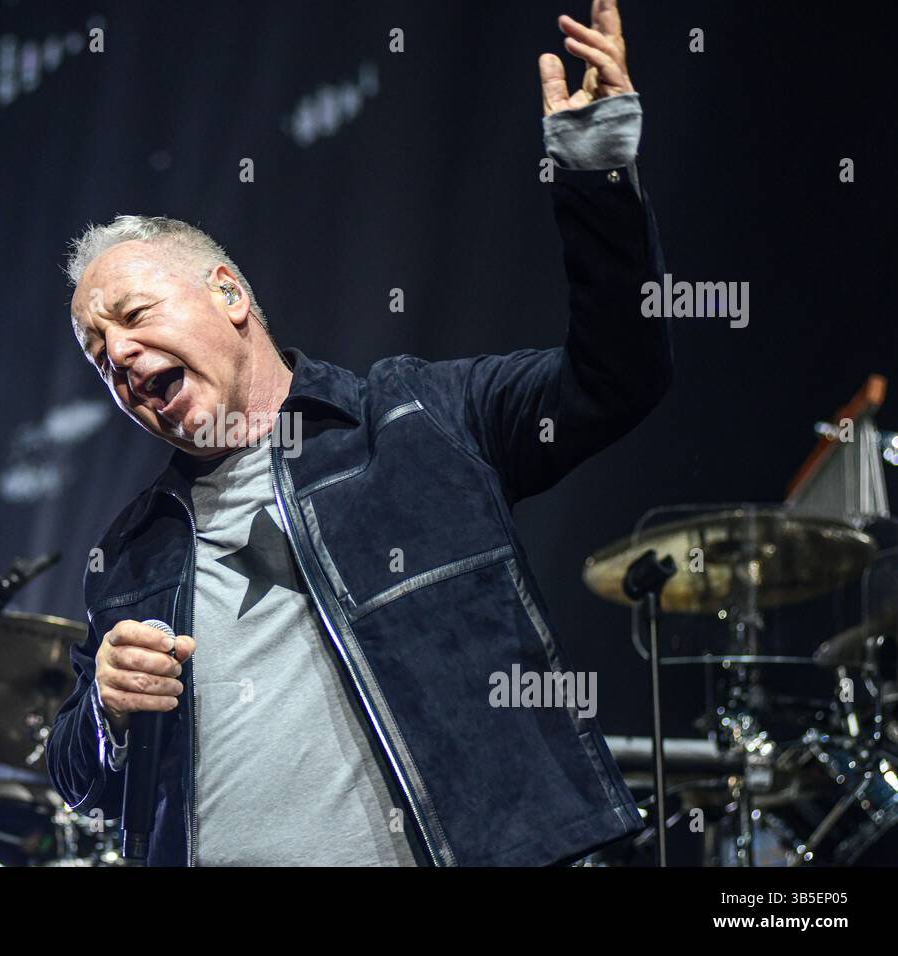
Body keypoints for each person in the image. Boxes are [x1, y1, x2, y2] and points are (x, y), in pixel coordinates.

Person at [48, 0, 670, 865]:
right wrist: (105, 714)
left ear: (229, 295)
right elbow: (75, 776)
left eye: (133, 315)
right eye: (95, 351)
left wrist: (596, 174)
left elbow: (618, 376)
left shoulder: (420, 419)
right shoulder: (133, 553)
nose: (117, 353)